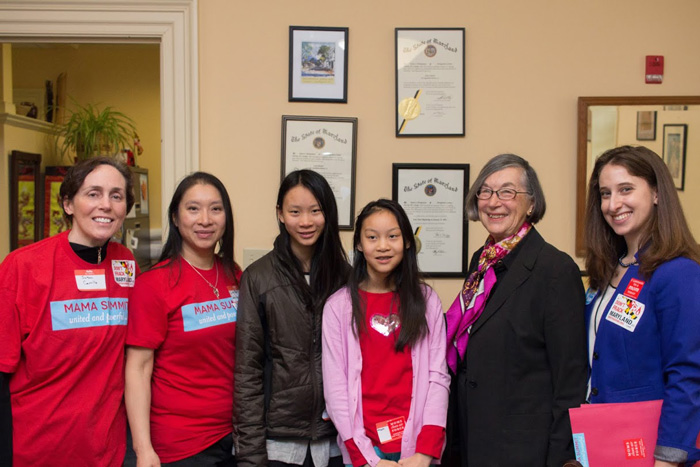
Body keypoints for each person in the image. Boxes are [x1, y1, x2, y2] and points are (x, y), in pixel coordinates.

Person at [443, 154, 588, 467]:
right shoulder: (482, 261)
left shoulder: (555, 270)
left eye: (507, 192)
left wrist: (560, 459)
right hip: (473, 439)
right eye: (486, 191)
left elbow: (571, 380)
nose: (494, 202)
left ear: (531, 204)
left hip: (524, 451)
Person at [0, 156, 137, 466]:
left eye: (116, 196)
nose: (106, 204)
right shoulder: (22, 267)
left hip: (109, 452)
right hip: (37, 451)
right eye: (93, 193)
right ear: (68, 203)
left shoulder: (125, 263)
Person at [584, 145, 700, 467]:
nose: (613, 204)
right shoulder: (607, 270)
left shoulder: (679, 272)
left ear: (657, 194)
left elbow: (687, 373)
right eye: (605, 194)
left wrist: (668, 457)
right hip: (603, 439)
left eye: (626, 189)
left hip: (650, 450)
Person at [234, 169, 349, 467]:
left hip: (337, 441)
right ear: (281, 214)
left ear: (328, 213)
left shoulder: (346, 277)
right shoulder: (258, 278)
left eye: (315, 211)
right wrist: (250, 456)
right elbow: (247, 372)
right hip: (278, 445)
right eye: (295, 211)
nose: (306, 221)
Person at [125, 172, 241, 466]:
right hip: (182, 444)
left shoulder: (235, 274)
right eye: (193, 209)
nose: (205, 219)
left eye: (215, 208)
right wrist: (143, 449)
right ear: (175, 218)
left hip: (236, 436)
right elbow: (138, 370)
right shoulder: (154, 284)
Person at [322, 199, 450, 467]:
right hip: (364, 453)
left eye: (392, 236)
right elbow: (336, 393)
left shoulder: (426, 301)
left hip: (417, 451)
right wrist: (369, 460)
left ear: (406, 241)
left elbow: (438, 378)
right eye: (372, 237)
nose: (382, 246)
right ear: (359, 244)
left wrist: (425, 453)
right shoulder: (339, 306)